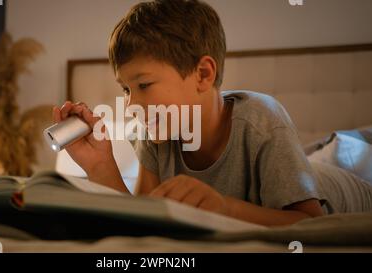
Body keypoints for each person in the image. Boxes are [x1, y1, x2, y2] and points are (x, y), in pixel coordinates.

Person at [53, 0, 372, 226]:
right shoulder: (154, 133)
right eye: (125, 89)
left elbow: (308, 222)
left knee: (346, 151)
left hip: (349, 188)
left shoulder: (261, 121)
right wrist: (101, 166)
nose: (131, 104)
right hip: (302, 168)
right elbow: (146, 218)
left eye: (144, 84)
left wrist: (223, 207)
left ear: (203, 74)